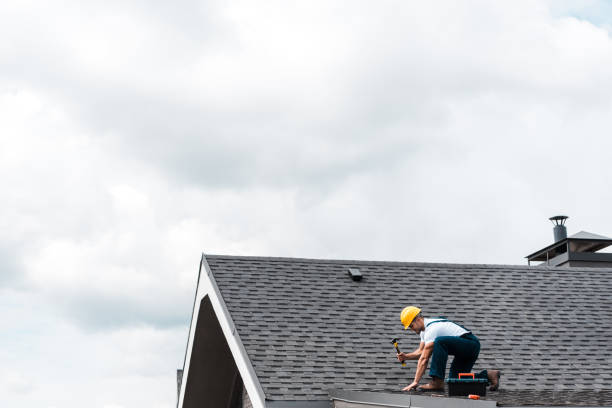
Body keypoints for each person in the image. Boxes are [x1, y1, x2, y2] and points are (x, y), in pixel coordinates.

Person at [396, 306, 500, 392]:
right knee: (454, 381)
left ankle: (437, 382)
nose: (411, 329)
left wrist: (415, 381)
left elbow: (424, 358)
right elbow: (421, 352)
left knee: (439, 342)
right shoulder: (424, 331)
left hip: (470, 344)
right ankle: (488, 375)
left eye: (411, 325)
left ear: (418, 319)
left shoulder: (432, 329)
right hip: (464, 348)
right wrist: (406, 356)